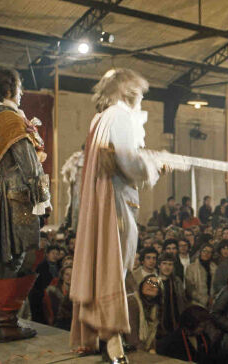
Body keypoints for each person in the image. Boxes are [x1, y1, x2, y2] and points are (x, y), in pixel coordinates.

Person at [70, 68, 163, 362]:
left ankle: (105, 339)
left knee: (105, 269)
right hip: (115, 203)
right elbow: (129, 161)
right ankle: (113, 345)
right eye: (140, 93)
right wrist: (153, 165)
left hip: (103, 200)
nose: (141, 100)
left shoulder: (101, 117)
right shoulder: (121, 116)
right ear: (128, 92)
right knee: (115, 271)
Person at [0, 69, 50, 342]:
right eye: (19, 88)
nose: (21, 93)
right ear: (8, 90)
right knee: (15, 255)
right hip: (14, 197)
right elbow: (30, 167)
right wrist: (44, 202)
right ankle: (7, 323)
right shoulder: (11, 120)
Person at [126, 274, 160, 353]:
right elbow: (132, 338)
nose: (151, 286)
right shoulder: (132, 302)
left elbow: (152, 335)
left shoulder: (154, 308)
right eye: (148, 282)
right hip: (130, 350)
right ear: (141, 286)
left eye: (155, 284)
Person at [157, 253, 188, 338]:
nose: (167, 267)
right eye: (164, 263)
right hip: (159, 323)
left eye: (170, 264)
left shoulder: (177, 281)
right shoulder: (153, 281)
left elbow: (182, 301)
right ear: (159, 265)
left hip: (176, 321)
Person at [185, 243, 217, 308]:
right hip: (196, 304)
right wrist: (204, 299)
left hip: (212, 304)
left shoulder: (215, 268)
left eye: (209, 252)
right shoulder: (191, 268)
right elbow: (190, 288)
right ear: (200, 252)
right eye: (204, 251)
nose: (206, 254)